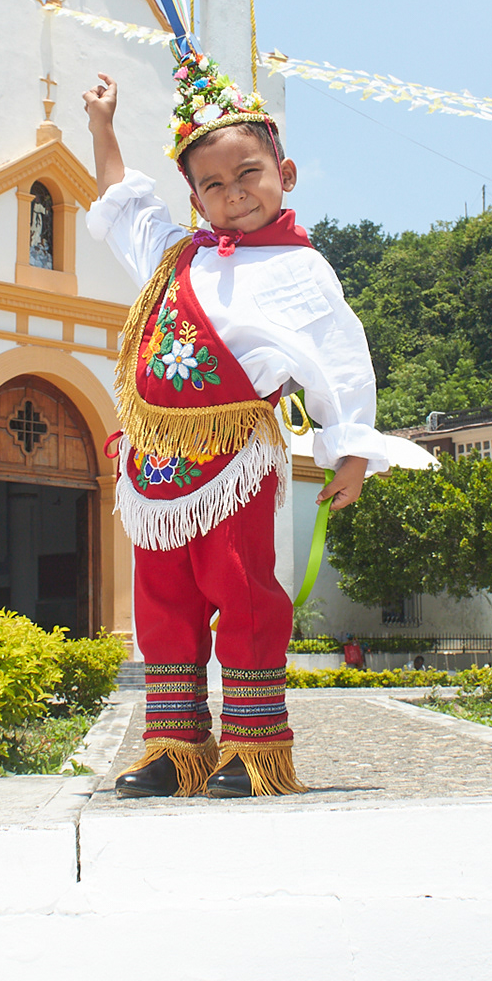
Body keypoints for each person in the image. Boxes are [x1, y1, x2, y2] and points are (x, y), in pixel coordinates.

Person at [85, 47, 431, 798]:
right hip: (153, 464)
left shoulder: (302, 269)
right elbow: (121, 204)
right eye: (213, 185)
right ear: (194, 198)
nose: (234, 193)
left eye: (248, 174)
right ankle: (174, 745)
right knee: (162, 601)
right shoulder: (173, 256)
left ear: (286, 174)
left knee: (242, 592)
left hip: (235, 459)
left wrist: (350, 453)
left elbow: (341, 361)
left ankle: (254, 745)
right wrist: (103, 127)